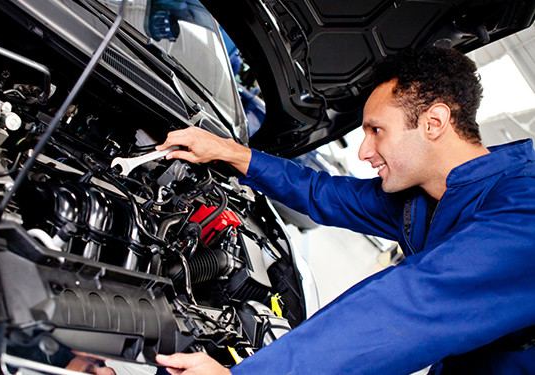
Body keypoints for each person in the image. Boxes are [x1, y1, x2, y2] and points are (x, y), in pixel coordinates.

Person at [153, 46, 535, 374]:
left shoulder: (525, 207)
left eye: (376, 130)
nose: (364, 152)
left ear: (433, 122)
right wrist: (230, 152)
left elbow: (413, 303)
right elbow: (324, 193)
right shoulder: (426, 197)